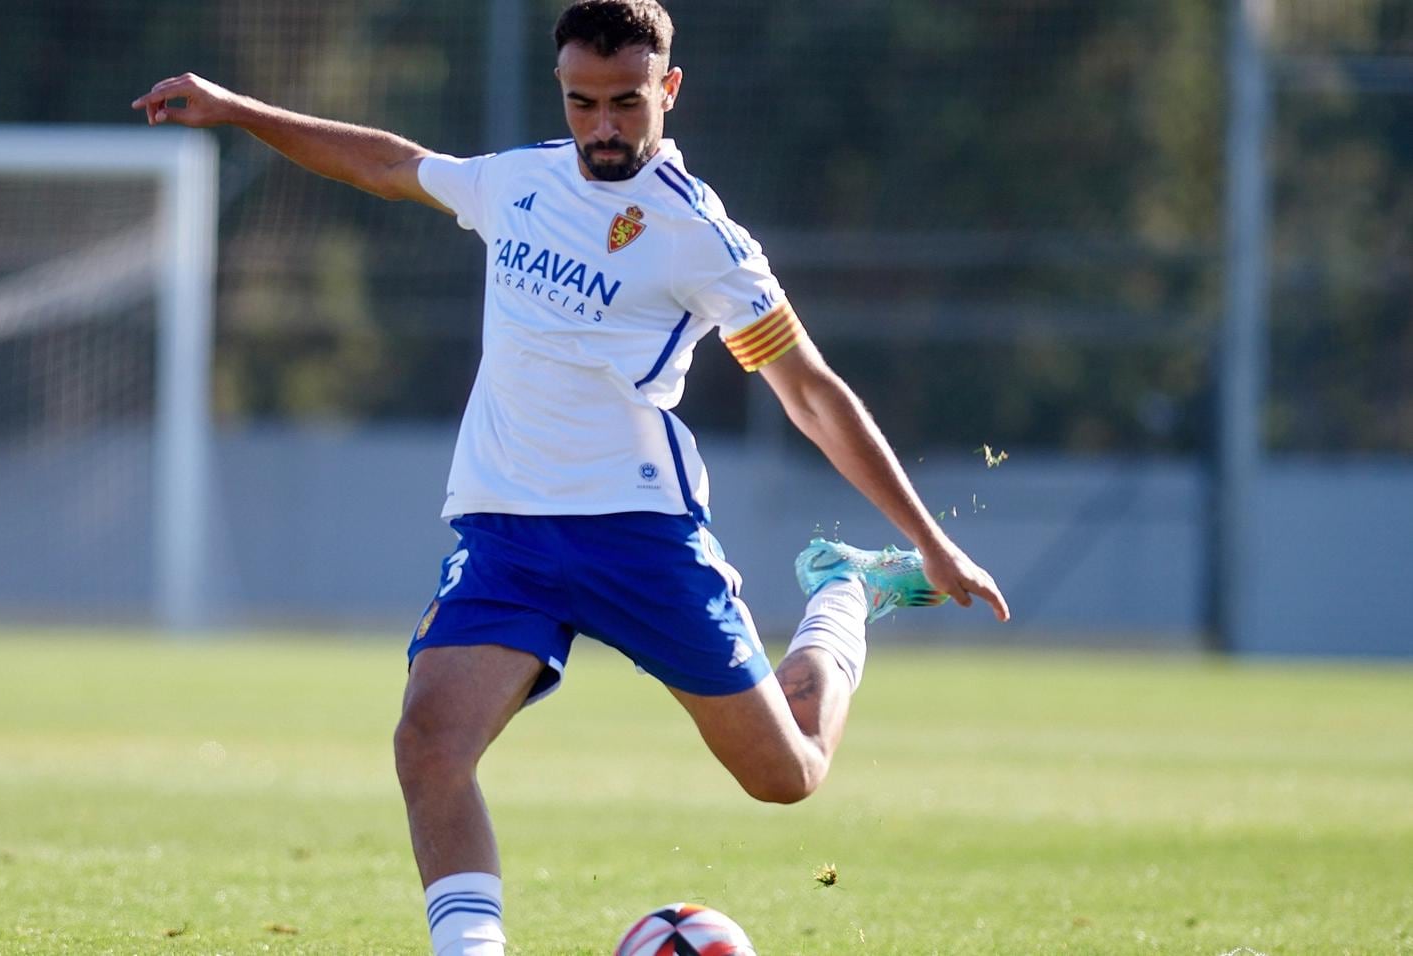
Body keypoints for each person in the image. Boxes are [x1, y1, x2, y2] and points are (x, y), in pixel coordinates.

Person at [134, 2, 1010, 952]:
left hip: (637, 534)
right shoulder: (518, 181)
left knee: (786, 774)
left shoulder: (702, 238)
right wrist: (237, 109)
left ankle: (844, 590)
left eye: (626, 102)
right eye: (582, 102)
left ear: (669, 90)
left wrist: (929, 541)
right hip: (506, 535)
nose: (602, 126)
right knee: (429, 744)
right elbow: (387, 164)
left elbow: (811, 393)